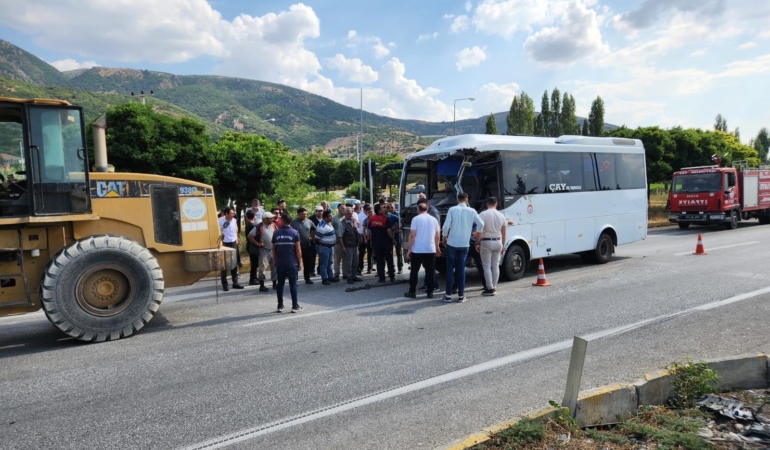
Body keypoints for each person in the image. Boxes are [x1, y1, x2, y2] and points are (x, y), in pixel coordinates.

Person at [442, 193, 483, 303]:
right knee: (461, 269)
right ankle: (461, 295)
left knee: (450, 269)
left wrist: (444, 236)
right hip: (465, 244)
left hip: (452, 243)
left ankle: (448, 295)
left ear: (457, 200)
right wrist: (477, 233)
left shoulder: (452, 210)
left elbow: (446, 226)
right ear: (467, 200)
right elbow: (481, 223)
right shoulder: (472, 211)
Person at [404, 202, 441, 299]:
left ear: (418, 210)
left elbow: (412, 235)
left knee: (414, 271)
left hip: (417, 249)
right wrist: (437, 248)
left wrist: (409, 250)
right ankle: (430, 292)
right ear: (427, 209)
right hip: (430, 249)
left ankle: (412, 291)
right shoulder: (434, 220)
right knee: (430, 271)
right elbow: (437, 236)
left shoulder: (416, 219)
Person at [272, 212, 303, 313]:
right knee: (293, 284)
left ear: (282, 221)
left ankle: (280, 306)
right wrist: (300, 262)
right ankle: (295, 306)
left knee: (280, 284)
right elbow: (298, 250)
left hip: (280, 262)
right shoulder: (295, 233)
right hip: (292, 262)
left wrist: (275, 260)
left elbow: (274, 249)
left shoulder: (276, 233)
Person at [478, 197, 507, 296]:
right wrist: (503, 244)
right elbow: (504, 233)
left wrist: (477, 242)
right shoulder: (502, 216)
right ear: (496, 204)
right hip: (498, 241)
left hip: (486, 242)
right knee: (495, 265)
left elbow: (479, 230)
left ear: (487, 204)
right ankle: (494, 286)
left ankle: (489, 288)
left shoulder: (483, 214)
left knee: (486, 266)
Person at [248, 211, 277, 292]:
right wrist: (258, 244)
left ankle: (275, 284)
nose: (272, 219)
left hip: (272, 250)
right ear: (265, 219)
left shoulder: (273, 225)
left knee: (274, 267)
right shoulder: (258, 226)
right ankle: (262, 285)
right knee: (262, 268)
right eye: (270, 218)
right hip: (263, 250)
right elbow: (250, 236)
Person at [417, 198, 442, 292]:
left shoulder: (433, 212)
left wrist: (437, 245)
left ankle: (434, 285)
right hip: (426, 242)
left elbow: (437, 229)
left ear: (427, 204)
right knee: (427, 266)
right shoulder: (428, 211)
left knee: (430, 266)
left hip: (430, 243)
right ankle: (427, 283)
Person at [369, 203, 396, 283]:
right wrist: (393, 239)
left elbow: (370, 232)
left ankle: (382, 278)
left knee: (379, 261)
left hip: (376, 243)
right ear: (379, 210)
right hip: (386, 243)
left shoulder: (371, 219)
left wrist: (370, 241)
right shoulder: (385, 219)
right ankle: (391, 277)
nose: (384, 209)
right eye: (382, 208)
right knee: (389, 260)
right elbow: (389, 231)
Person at [218, 207, 244, 291]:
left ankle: (235, 283)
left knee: (234, 263)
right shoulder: (220, 221)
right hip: (225, 244)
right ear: (226, 214)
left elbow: (235, 230)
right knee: (225, 265)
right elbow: (219, 233)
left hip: (233, 243)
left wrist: (236, 239)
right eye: (231, 213)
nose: (233, 214)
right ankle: (225, 285)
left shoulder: (234, 220)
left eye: (233, 213)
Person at [290, 207, 317, 285]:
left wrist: (311, 237)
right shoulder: (293, 222)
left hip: (307, 246)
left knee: (307, 263)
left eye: (306, 214)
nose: (305, 215)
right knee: (295, 263)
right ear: (298, 214)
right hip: (295, 246)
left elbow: (315, 229)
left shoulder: (309, 221)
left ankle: (307, 278)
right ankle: (295, 278)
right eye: (303, 214)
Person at [314, 210, 336, 285]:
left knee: (330, 263)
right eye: (330, 216)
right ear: (325, 217)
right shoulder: (322, 226)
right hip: (324, 247)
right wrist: (322, 244)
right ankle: (324, 278)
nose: (331, 217)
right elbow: (316, 239)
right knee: (324, 263)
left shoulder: (329, 223)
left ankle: (330, 277)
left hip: (329, 247)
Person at [341, 207, 362, 284]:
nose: (351, 215)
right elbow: (340, 236)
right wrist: (343, 246)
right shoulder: (342, 223)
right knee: (348, 262)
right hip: (348, 245)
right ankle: (349, 277)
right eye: (349, 213)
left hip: (355, 244)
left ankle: (354, 276)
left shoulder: (354, 221)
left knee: (355, 262)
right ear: (345, 214)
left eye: (351, 213)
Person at [387, 203, 404, 274]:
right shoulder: (387, 215)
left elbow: (400, 223)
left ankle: (400, 267)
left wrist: (394, 229)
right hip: (390, 235)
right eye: (389, 207)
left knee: (398, 251)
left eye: (392, 207)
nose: (391, 208)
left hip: (397, 234)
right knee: (389, 252)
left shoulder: (397, 214)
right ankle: (391, 268)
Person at [244, 210, 259, 285]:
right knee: (254, 263)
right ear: (254, 216)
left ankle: (255, 277)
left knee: (255, 262)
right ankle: (252, 278)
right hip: (252, 246)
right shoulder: (252, 225)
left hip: (250, 245)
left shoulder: (248, 224)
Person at [331, 203, 346, 281]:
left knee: (345, 259)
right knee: (337, 259)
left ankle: (345, 274)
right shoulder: (334, 218)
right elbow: (331, 228)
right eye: (342, 208)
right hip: (337, 242)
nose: (343, 209)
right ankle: (336, 274)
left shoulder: (347, 218)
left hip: (346, 242)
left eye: (344, 208)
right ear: (338, 209)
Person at [357, 203, 369, 275]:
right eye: (367, 210)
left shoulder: (371, 215)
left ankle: (369, 267)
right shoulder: (359, 216)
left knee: (370, 252)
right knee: (361, 252)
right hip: (361, 235)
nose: (368, 211)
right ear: (364, 210)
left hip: (369, 235)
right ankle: (360, 267)